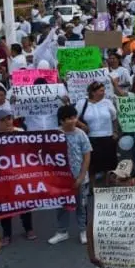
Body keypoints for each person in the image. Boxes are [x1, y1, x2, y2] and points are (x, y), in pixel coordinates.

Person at [48, 105, 92, 245]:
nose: (73, 121)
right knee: (61, 206)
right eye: (69, 118)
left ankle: (83, 231)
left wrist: (81, 176)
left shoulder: (80, 134)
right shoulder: (54, 135)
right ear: (61, 121)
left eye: (74, 117)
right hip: (60, 180)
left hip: (79, 178)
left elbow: (87, 156)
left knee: (81, 206)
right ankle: (62, 231)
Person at [0, 109, 36, 246]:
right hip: (1, 178)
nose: (8, 122)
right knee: (4, 206)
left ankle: (28, 229)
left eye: (9, 119)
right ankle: (6, 234)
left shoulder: (20, 132)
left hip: (19, 175)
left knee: (24, 203)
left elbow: (28, 151)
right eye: (4, 120)